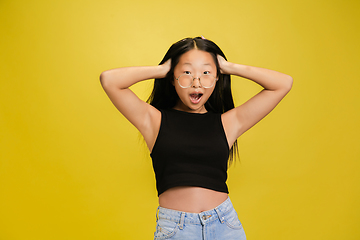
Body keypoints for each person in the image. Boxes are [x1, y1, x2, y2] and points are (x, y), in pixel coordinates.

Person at [100, 36, 292, 240]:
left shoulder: (228, 123)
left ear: (217, 77)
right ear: (172, 79)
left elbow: (282, 83)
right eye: (186, 73)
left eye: (206, 73)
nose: (196, 82)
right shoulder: (154, 121)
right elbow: (109, 80)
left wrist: (228, 66)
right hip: (176, 228)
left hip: (225, 225)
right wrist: (163, 70)